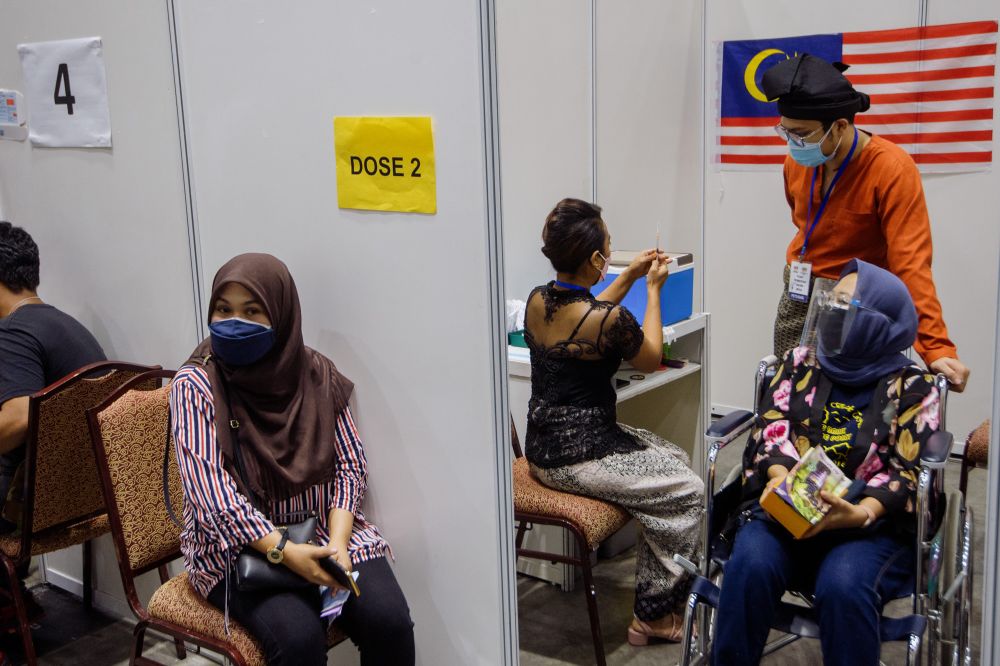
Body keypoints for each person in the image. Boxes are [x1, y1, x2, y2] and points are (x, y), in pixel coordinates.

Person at [170, 253, 414, 666]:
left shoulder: (314, 371)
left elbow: (349, 465)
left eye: (252, 311)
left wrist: (338, 543)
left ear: (281, 316)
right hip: (240, 550)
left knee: (390, 623)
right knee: (298, 642)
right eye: (223, 310)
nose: (234, 323)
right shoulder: (195, 385)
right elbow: (213, 499)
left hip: (323, 532)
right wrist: (286, 552)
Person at [712, 259, 941, 665]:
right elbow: (771, 425)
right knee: (749, 565)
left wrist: (858, 514)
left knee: (843, 586)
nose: (831, 313)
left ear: (878, 323)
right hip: (788, 510)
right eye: (830, 302)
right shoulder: (799, 362)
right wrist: (782, 479)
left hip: (867, 528)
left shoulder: (913, 388)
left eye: (844, 305)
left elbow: (907, 473)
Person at [523, 198, 704, 644]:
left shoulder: (538, 300)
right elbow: (650, 358)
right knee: (688, 491)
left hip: (542, 447)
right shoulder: (613, 321)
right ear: (594, 259)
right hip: (579, 458)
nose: (611, 250)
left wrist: (630, 275)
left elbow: (586, 317)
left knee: (674, 457)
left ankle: (658, 581)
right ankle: (653, 615)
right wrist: (654, 290)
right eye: (608, 246)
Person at [760, 54, 969, 392]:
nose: (793, 143)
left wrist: (936, 347)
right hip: (799, 289)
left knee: (847, 400)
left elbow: (911, 264)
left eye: (801, 134)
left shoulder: (891, 169)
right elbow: (802, 221)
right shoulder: (797, 163)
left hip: (858, 303)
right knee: (791, 392)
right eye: (786, 132)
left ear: (840, 126)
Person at [0, 221, 105, 636]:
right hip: (91, 497)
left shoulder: (12, 331)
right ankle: (13, 601)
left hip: (36, 510)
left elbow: (19, 417)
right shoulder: (68, 326)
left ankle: (8, 604)